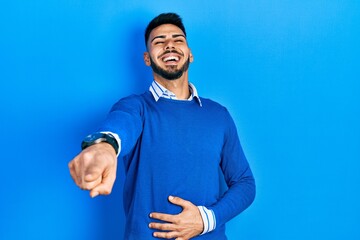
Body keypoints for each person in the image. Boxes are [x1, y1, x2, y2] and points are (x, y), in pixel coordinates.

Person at [68, 12, 256, 240]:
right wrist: (105, 146)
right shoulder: (136, 107)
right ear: (147, 58)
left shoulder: (219, 115)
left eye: (178, 40)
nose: (169, 45)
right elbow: (121, 125)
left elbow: (245, 183)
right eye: (159, 42)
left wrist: (206, 219)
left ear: (190, 54)